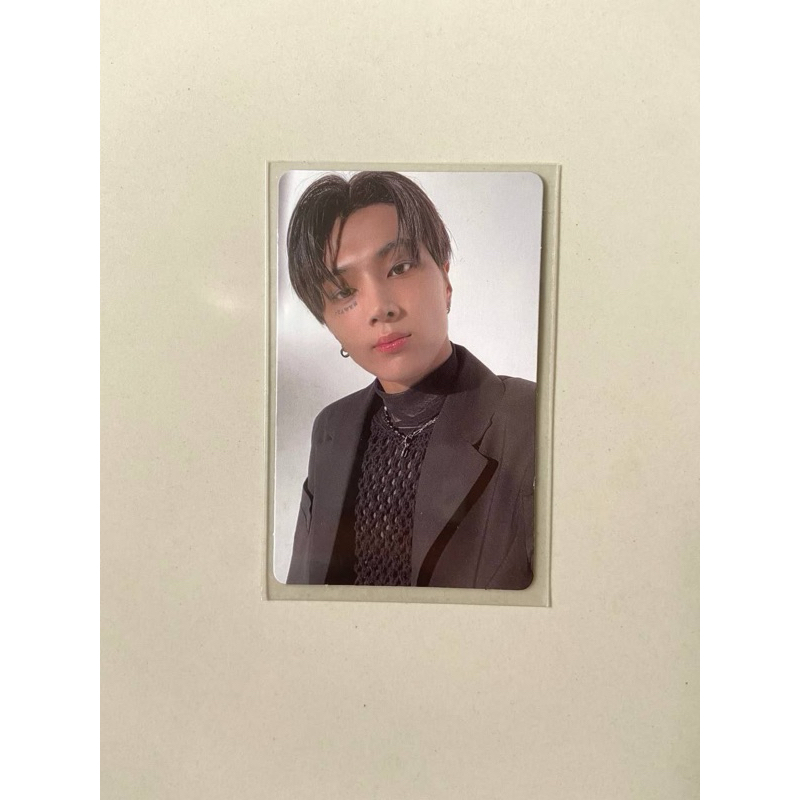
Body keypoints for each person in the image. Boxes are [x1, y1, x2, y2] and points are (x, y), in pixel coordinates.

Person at [285, 171, 535, 589]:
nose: (379, 308)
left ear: (446, 280)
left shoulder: (533, 420)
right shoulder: (330, 429)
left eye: (399, 268)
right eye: (343, 292)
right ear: (327, 322)